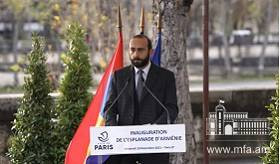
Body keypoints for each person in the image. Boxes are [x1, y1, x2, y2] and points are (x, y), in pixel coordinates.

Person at [104, 34, 178, 164]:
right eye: (132, 49)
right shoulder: (119, 76)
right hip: (123, 149)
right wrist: (115, 132)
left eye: (140, 50)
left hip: (153, 147)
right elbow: (109, 109)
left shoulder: (166, 77)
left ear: (150, 51)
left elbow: (171, 109)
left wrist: (154, 128)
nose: (136, 54)